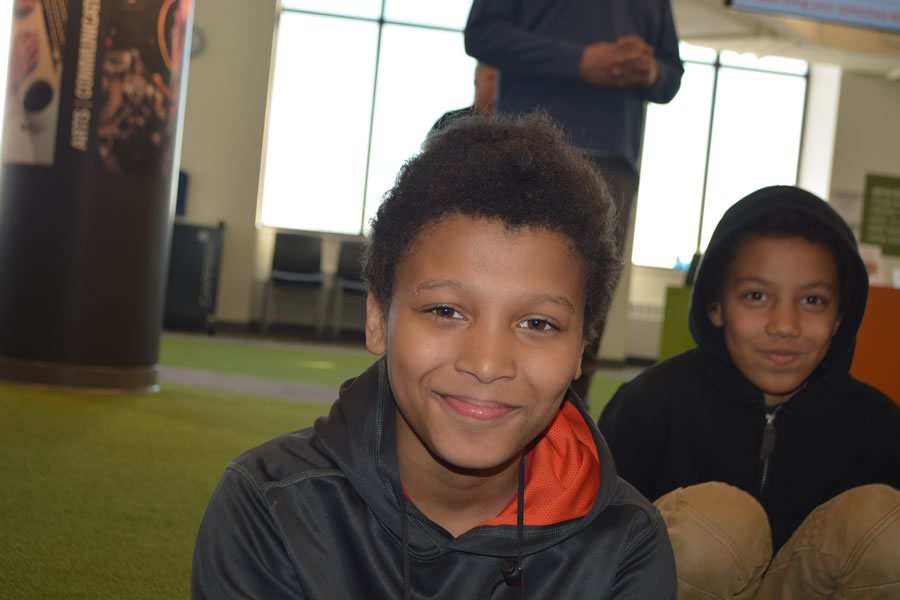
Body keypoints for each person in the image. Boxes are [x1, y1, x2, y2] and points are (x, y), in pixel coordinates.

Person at [192, 113, 676, 598]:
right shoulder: (272, 508)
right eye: (446, 311)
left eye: (538, 324)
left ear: (580, 351)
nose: (487, 364)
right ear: (378, 319)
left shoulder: (624, 546)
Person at [598, 185, 900, 599]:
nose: (785, 325)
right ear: (716, 306)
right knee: (716, 528)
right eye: (756, 296)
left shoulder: (880, 427)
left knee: (886, 526)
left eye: (813, 300)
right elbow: (592, 549)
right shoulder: (649, 405)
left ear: (839, 317)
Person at [464, 0, 684, 401]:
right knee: (510, 286)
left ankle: (568, 424)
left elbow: (671, 75)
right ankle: (484, 400)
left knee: (588, 311)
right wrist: (579, 61)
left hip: (613, 162)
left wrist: (650, 71)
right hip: (528, 150)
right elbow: (482, 35)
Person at [431, 62, 497, 131]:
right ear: (476, 82)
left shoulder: (504, 122)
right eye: (491, 78)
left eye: (499, 79)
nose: (496, 84)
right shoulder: (450, 120)